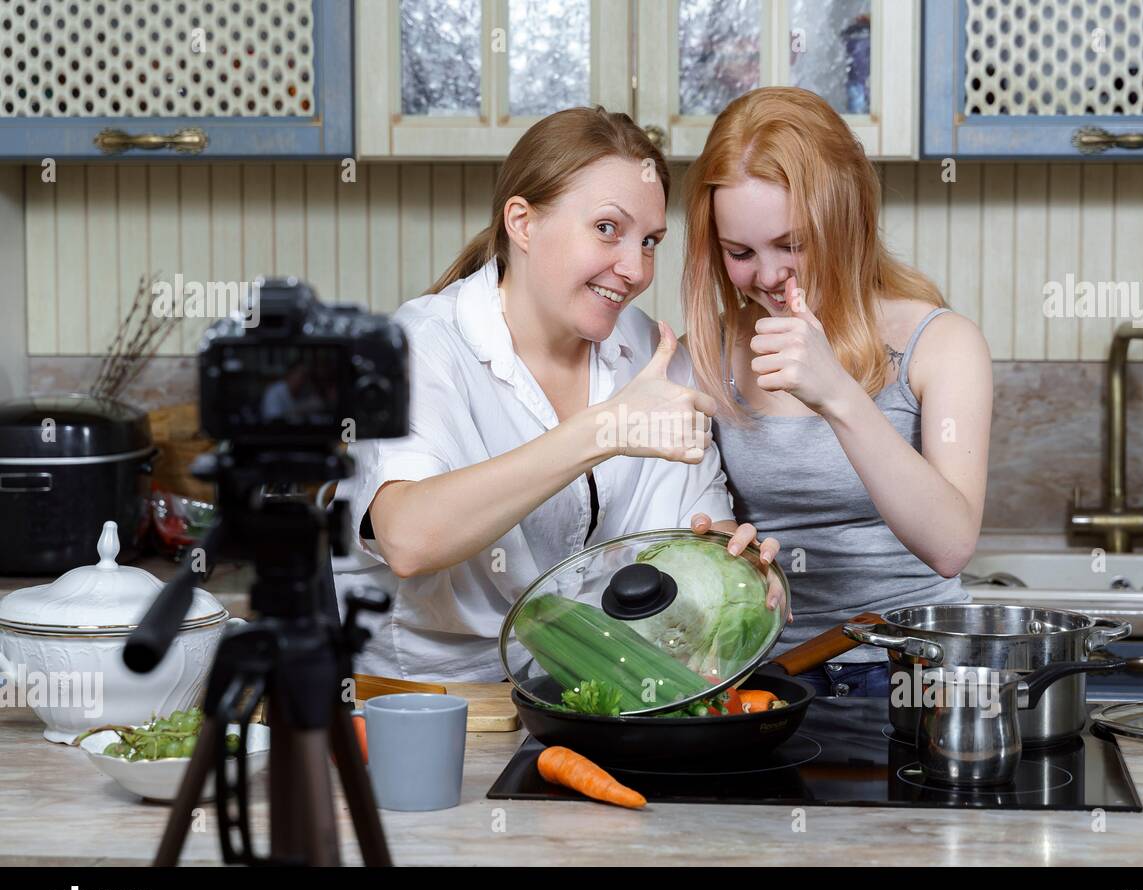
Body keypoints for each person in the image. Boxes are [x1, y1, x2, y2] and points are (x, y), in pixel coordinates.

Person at [331, 106, 779, 682]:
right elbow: (409, 538)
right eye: (607, 229)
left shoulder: (652, 352)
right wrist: (602, 431)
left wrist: (735, 571)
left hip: (587, 695)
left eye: (650, 241)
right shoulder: (418, 346)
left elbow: (691, 531)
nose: (635, 268)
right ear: (522, 222)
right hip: (426, 702)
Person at [683, 88, 992, 697]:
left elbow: (951, 546)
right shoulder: (709, 351)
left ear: (846, 221)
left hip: (911, 673)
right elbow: (707, 515)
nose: (768, 277)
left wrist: (839, 395)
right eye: (739, 253)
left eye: (792, 245)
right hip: (763, 677)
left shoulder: (941, 344)